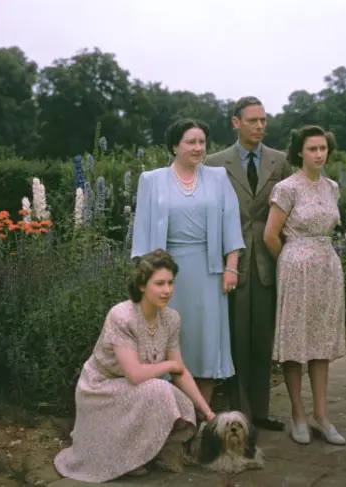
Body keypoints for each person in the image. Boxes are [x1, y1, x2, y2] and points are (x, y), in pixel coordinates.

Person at [53, 249, 216, 483]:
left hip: (135, 389)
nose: (167, 290)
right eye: (159, 283)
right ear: (141, 285)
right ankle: (127, 457)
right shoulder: (121, 316)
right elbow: (136, 374)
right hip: (101, 389)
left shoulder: (170, 319)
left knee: (179, 400)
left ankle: (147, 453)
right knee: (160, 391)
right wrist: (169, 364)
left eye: (170, 283)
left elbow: (179, 371)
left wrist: (207, 412)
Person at [130, 118, 245, 415]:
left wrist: (231, 267)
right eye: (190, 142)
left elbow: (231, 222)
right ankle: (170, 417)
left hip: (208, 273)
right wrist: (149, 279)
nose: (197, 148)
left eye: (201, 142)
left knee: (204, 344)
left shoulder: (218, 177)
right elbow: (142, 230)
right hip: (166, 275)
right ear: (174, 146)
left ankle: (199, 417)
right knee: (168, 341)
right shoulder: (152, 180)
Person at [204, 96, 291, 432]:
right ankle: (240, 412)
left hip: (268, 260)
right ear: (235, 122)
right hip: (231, 260)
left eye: (263, 120)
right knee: (236, 337)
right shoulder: (214, 163)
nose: (259, 126)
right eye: (252, 120)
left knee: (262, 337)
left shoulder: (279, 162)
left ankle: (261, 410)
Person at [263, 125, 346, 446]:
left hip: (327, 267)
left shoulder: (332, 187)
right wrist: (291, 259)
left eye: (323, 148)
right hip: (296, 270)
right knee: (296, 344)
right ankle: (298, 413)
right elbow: (270, 234)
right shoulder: (287, 188)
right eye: (312, 149)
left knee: (321, 343)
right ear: (300, 151)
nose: (319, 154)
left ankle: (322, 416)